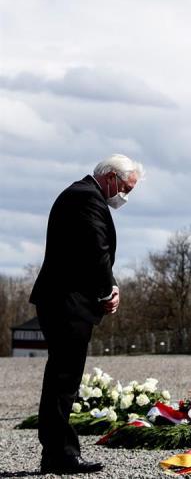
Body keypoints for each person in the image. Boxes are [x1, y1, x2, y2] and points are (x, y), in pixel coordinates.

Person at [29, 154, 144, 474]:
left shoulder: (81, 196)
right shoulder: (86, 199)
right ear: (110, 178)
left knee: (62, 377)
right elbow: (95, 250)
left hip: (64, 300)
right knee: (63, 380)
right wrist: (108, 290)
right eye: (126, 188)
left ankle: (56, 451)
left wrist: (111, 283)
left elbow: (89, 253)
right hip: (68, 302)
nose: (125, 196)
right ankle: (59, 454)